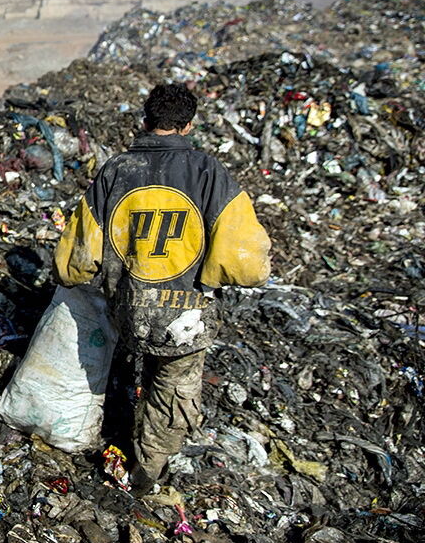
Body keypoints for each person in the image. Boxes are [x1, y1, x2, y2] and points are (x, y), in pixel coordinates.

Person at [53, 82, 271, 493]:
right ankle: (146, 470)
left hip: (130, 310)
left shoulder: (116, 170)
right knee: (172, 389)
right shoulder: (210, 172)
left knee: (124, 368)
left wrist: (72, 279)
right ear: (187, 126)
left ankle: (107, 429)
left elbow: (77, 259)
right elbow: (246, 263)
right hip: (184, 315)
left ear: (145, 121)